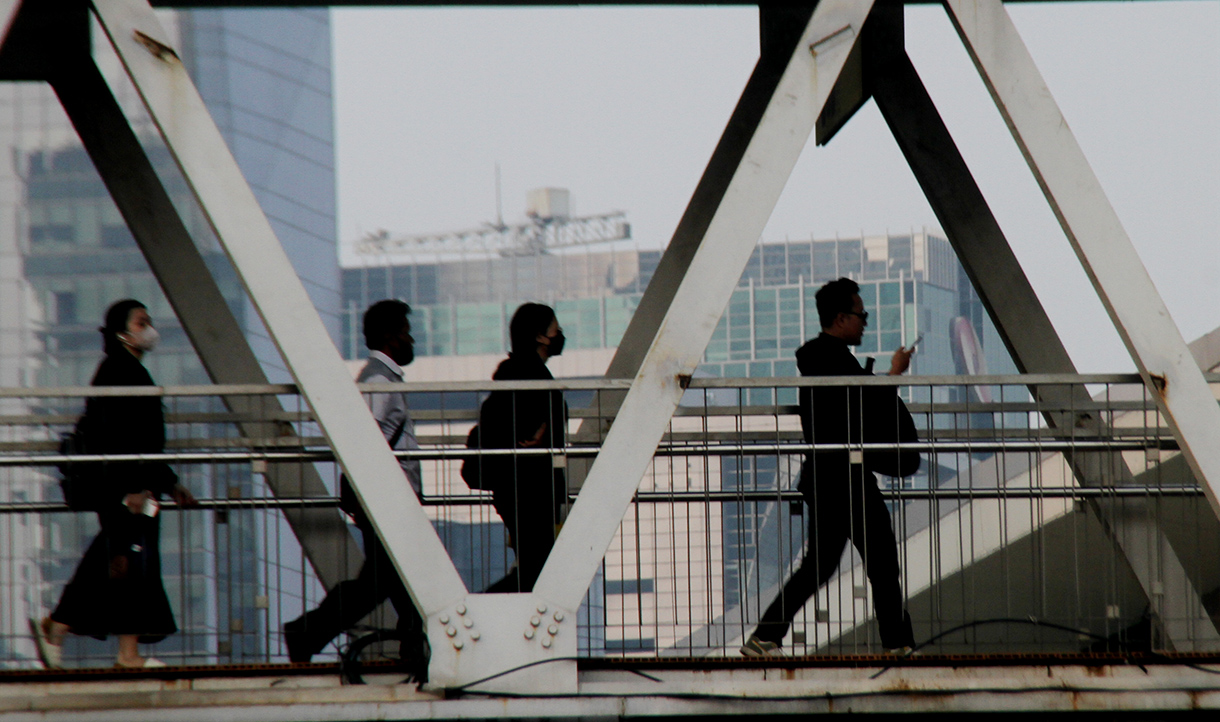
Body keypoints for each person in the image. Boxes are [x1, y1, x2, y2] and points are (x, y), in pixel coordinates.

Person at [742, 278, 920, 656]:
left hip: (828, 476)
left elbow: (854, 406)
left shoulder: (823, 359)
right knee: (883, 561)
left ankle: (765, 636)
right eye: (861, 314)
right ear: (840, 318)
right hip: (845, 476)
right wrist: (894, 375)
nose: (865, 321)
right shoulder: (831, 359)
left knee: (820, 566)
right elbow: (862, 407)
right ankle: (898, 645)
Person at [31, 299, 197, 669]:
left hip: (133, 489)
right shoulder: (121, 372)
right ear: (122, 332)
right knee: (127, 564)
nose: (149, 328)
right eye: (142, 322)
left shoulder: (125, 369)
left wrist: (167, 484)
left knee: (121, 565)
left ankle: (71, 630)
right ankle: (111, 647)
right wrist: (130, 492)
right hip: (128, 491)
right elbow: (121, 440)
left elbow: (140, 443)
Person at [282, 300, 428, 678]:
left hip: (386, 498)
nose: (410, 338)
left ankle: (413, 644)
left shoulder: (382, 378)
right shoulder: (379, 381)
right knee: (389, 580)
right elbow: (369, 443)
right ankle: (308, 633)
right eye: (405, 330)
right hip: (386, 499)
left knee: (385, 581)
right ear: (388, 336)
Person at [480, 303, 567, 594]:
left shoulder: (519, 370)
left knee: (534, 569)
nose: (560, 333)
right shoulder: (525, 372)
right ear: (541, 337)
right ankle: (479, 607)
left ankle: (482, 609)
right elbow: (527, 424)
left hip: (524, 487)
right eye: (555, 328)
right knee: (535, 571)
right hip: (527, 488)